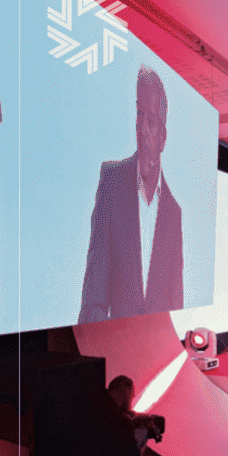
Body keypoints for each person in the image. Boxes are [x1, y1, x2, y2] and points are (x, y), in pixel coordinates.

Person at [79, 65, 183, 324]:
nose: (141, 128)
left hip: (159, 351)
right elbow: (94, 295)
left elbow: (176, 305)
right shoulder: (112, 182)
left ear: (163, 136)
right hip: (114, 350)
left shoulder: (173, 212)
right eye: (139, 114)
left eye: (151, 121)